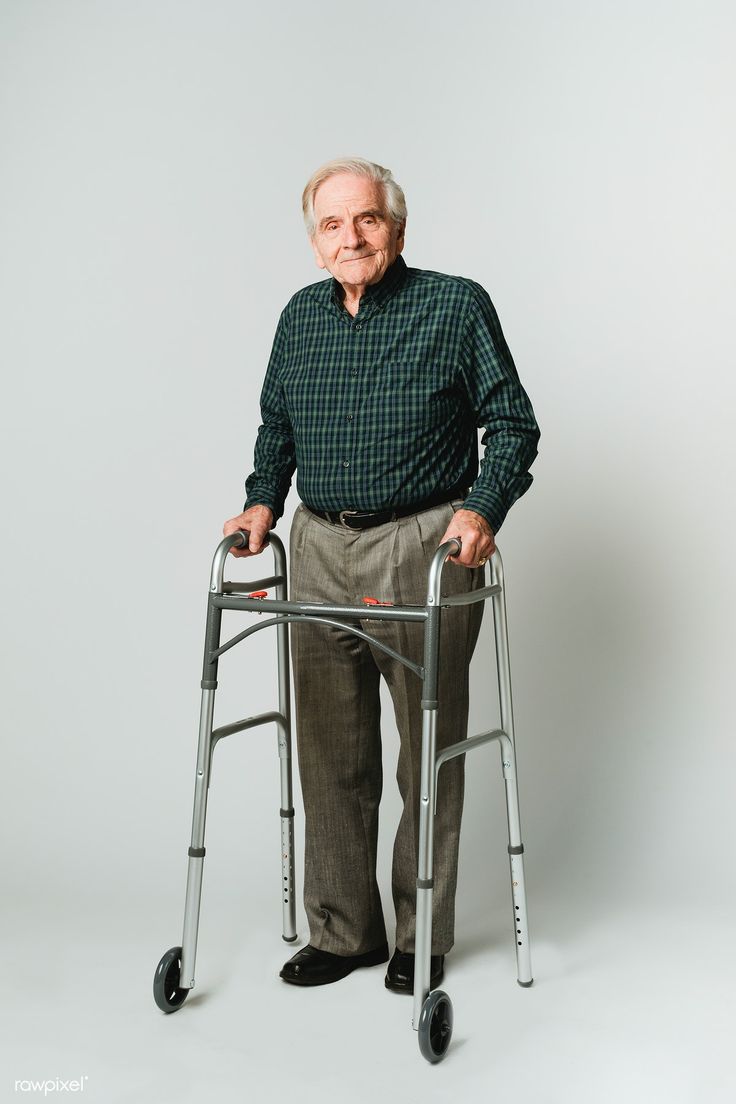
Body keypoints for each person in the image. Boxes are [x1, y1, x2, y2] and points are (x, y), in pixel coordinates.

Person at [223, 156, 540, 992]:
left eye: (366, 220)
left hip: (422, 545)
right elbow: (276, 428)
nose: (350, 237)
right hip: (321, 541)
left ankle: (419, 938)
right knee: (331, 750)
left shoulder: (455, 304)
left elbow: (513, 424)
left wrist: (482, 510)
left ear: (397, 229)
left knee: (425, 752)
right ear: (314, 238)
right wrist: (261, 502)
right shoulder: (301, 317)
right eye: (332, 224)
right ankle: (343, 930)